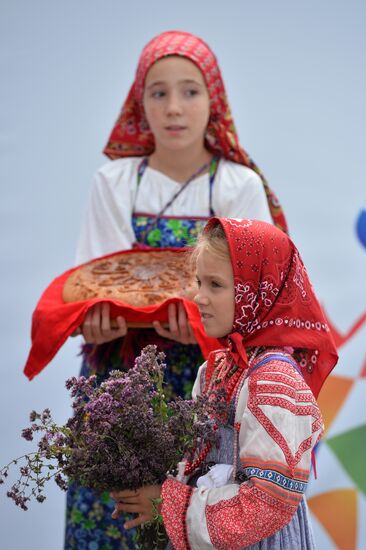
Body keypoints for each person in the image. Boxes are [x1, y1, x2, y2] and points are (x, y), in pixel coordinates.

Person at [65, 30, 288, 549]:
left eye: (190, 91)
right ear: (139, 104)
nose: (174, 107)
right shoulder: (115, 182)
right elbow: (98, 281)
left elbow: (257, 296)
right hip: (118, 380)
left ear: (215, 102)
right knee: (110, 520)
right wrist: (96, 320)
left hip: (207, 380)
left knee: (193, 513)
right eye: (158, 92)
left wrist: (202, 324)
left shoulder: (237, 187)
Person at [110, 217, 338, 549]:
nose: (199, 297)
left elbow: (268, 503)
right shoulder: (216, 368)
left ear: (258, 291)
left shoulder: (275, 381)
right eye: (199, 282)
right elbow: (195, 457)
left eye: (215, 285)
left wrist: (168, 503)